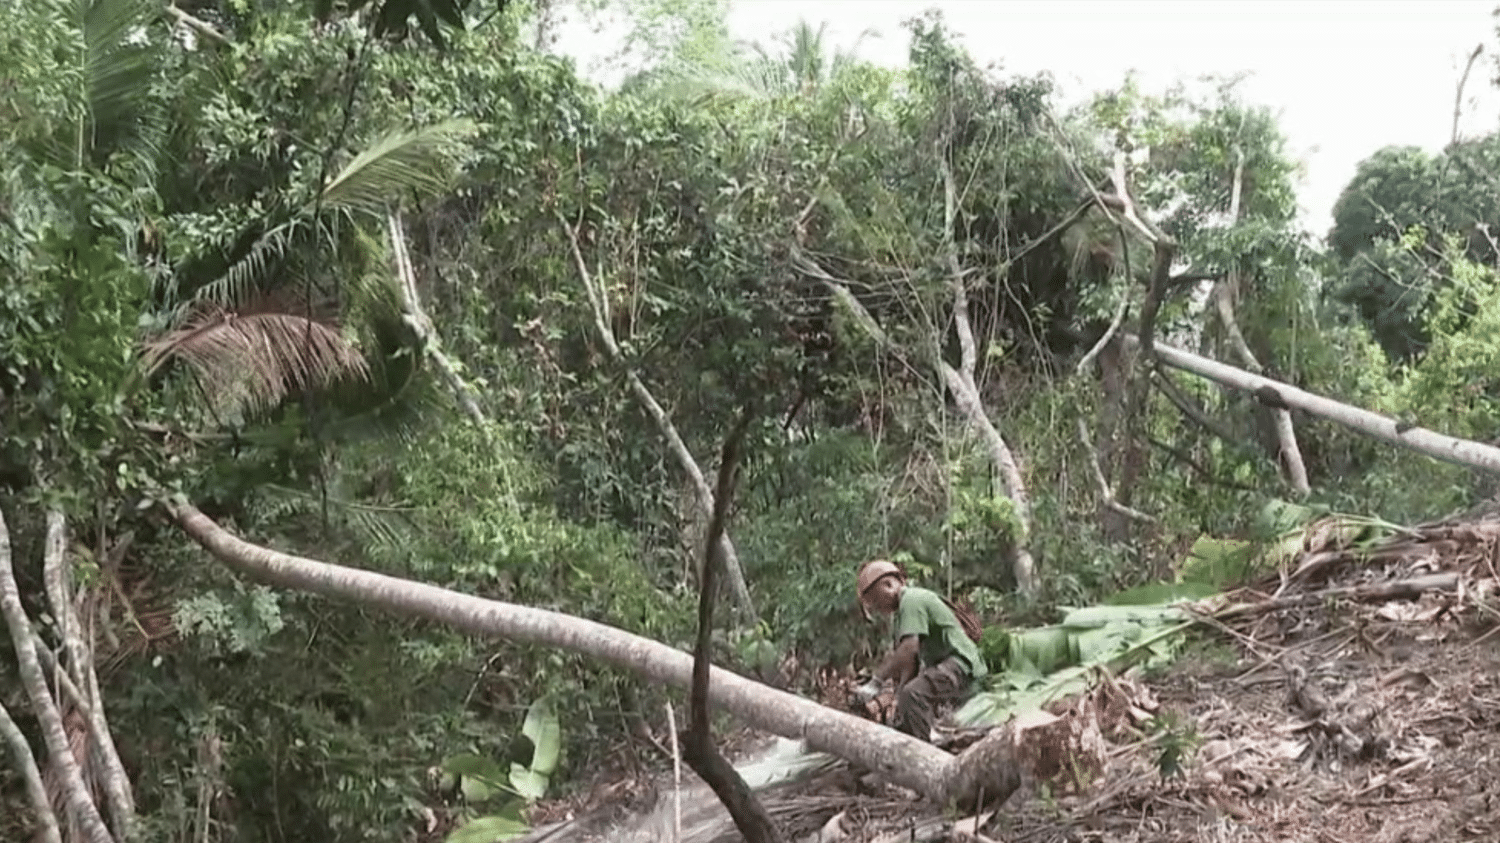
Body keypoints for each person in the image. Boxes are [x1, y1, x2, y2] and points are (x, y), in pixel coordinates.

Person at [851, 559, 987, 742]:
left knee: (913, 695)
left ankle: (924, 751)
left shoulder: (911, 600)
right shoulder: (902, 613)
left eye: (875, 600)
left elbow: (908, 648)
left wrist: (876, 681)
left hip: (961, 664)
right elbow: (911, 662)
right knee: (908, 697)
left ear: (889, 584)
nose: (876, 608)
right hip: (950, 667)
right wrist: (899, 697)